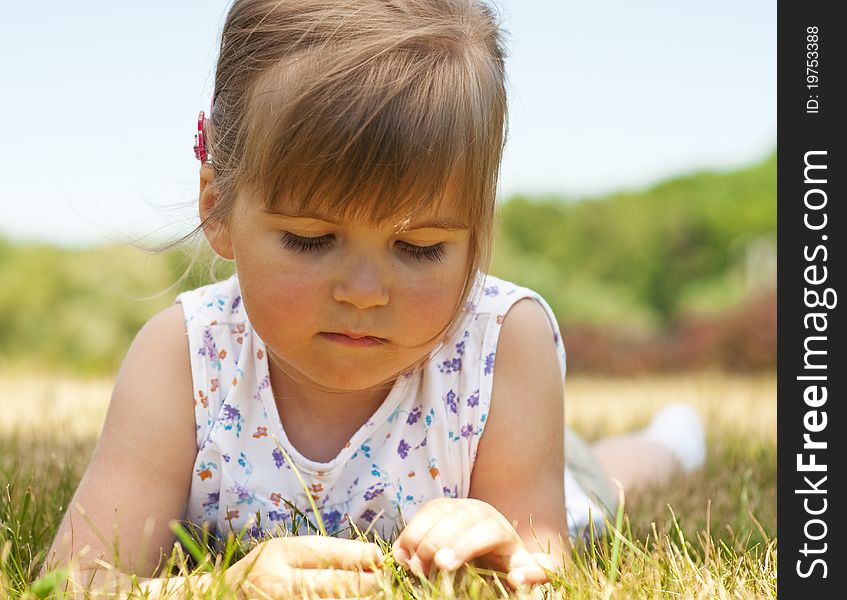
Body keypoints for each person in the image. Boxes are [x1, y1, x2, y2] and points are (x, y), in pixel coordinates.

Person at [43, 0, 705, 596]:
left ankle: (671, 440)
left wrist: (503, 542)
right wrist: (219, 587)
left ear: (477, 234)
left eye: (418, 248)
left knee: (596, 488)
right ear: (218, 210)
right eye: (310, 238)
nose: (363, 292)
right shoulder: (184, 356)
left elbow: (541, 559)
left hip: (510, 450)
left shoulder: (504, 341)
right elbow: (76, 582)